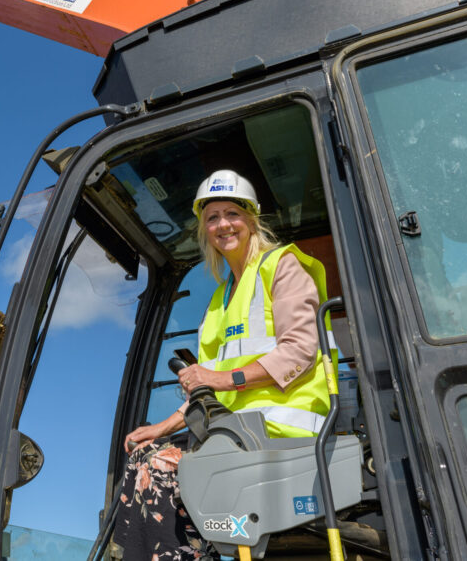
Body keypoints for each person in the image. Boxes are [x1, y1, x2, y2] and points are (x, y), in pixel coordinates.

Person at [112, 170, 333, 560]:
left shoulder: (282, 267)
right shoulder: (218, 302)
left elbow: (300, 350)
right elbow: (206, 389)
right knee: (143, 455)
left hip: (284, 431)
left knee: (163, 467)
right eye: (211, 217)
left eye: (232, 213)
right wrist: (160, 427)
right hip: (238, 434)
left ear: (251, 219)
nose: (222, 224)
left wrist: (220, 377)